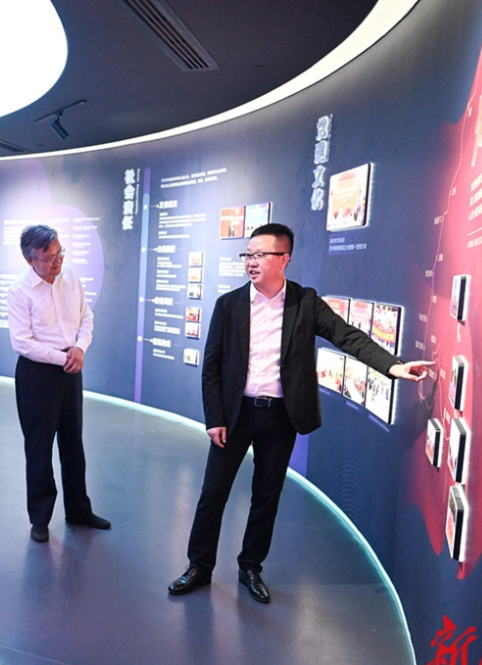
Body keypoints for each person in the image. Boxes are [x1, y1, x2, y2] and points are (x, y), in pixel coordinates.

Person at [168, 223, 432, 602]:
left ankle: (250, 567)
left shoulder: (305, 303)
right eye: (248, 255)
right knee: (213, 494)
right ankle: (198, 566)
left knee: (266, 497)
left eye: (260, 255)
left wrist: (394, 366)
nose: (251, 262)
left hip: (280, 418)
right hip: (236, 415)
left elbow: (347, 336)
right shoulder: (229, 305)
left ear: (284, 259)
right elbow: (212, 366)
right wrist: (215, 418)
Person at [7, 224, 110, 543]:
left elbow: (86, 317)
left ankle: (79, 510)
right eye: (49, 257)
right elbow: (21, 342)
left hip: (70, 367)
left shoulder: (71, 277)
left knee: (73, 443)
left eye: (59, 253)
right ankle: (40, 518)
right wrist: (62, 357)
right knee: (39, 447)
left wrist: (80, 347)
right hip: (37, 373)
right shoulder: (19, 291)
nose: (57, 261)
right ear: (30, 260)